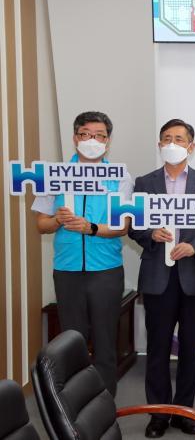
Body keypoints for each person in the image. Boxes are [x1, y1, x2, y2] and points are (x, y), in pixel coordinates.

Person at [128, 119, 195, 438]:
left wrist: (194, 247)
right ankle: (158, 414)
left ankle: (184, 412)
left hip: (193, 276)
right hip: (157, 276)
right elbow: (134, 226)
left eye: (179, 139)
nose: (172, 143)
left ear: (191, 146)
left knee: (190, 348)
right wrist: (150, 233)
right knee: (156, 348)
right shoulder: (145, 182)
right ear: (159, 145)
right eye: (166, 138)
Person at [32, 111, 133, 397]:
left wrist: (91, 228)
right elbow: (41, 224)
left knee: (105, 341)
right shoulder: (54, 175)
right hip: (67, 269)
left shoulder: (120, 176)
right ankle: (74, 406)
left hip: (106, 269)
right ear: (75, 138)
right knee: (72, 342)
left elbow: (123, 226)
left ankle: (105, 405)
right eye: (86, 134)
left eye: (100, 136)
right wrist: (58, 220)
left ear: (108, 141)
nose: (93, 140)